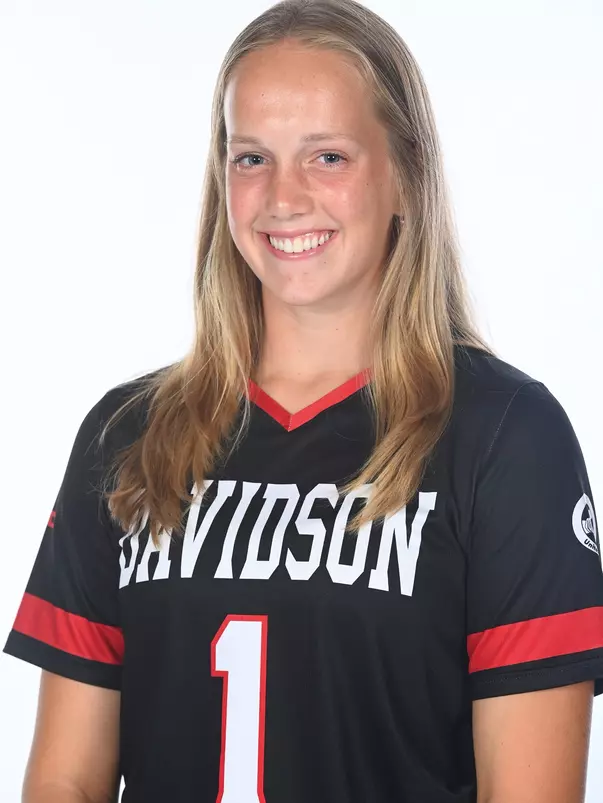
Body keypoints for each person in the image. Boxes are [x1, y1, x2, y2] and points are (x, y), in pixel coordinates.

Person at [4, 0, 603, 801]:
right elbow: (65, 781)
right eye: (251, 158)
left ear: (404, 177)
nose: (283, 197)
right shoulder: (129, 434)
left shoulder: (505, 438)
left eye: (327, 157)